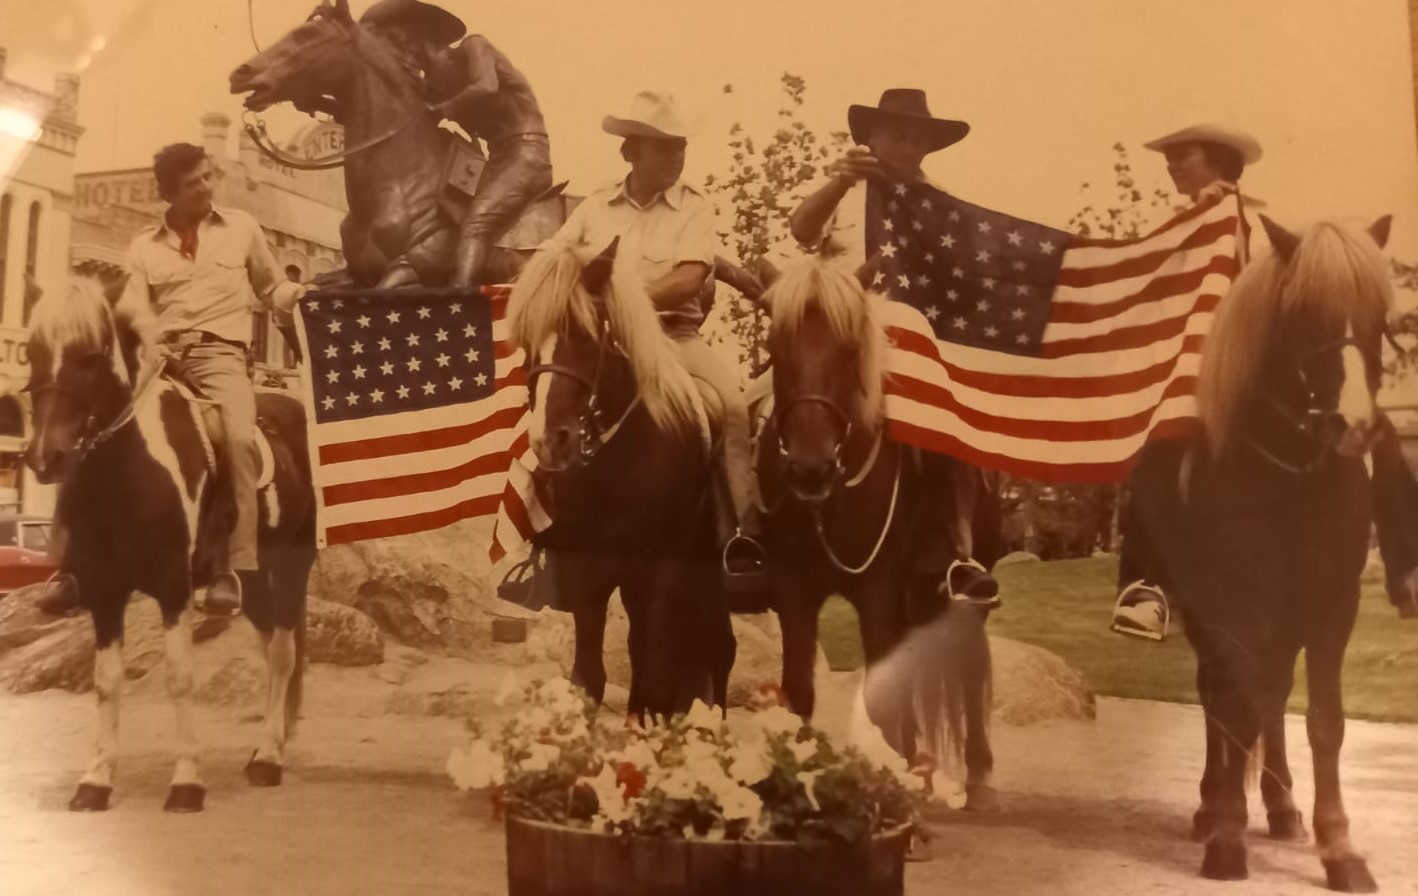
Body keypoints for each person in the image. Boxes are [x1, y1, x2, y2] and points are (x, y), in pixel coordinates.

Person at [1111, 123, 1418, 638]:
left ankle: (1406, 566)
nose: (1169, 165)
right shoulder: (1178, 224)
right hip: (1193, 367)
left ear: (1218, 161)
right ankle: (1147, 587)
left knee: (1378, 433)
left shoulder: (1256, 222)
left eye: (1180, 156)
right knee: (1157, 447)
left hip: (1262, 368)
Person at [787, 88, 999, 609]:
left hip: (908, 342)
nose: (907, 145)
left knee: (949, 424)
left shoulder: (941, 203)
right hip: (837, 340)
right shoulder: (843, 190)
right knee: (759, 405)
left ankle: (957, 552)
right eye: (896, 134)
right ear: (871, 138)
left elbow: (965, 278)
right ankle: (758, 534)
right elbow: (801, 230)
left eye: (917, 137)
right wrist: (839, 179)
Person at [542, 90, 764, 581]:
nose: (675, 156)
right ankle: (534, 530)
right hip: (598, 341)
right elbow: (553, 259)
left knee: (729, 408)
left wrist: (623, 299)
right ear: (630, 152)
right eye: (662, 146)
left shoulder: (694, 208)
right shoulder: (595, 206)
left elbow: (689, 277)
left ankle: (741, 535)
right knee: (544, 398)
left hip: (673, 337)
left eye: (679, 146)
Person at [113, 143, 305, 615]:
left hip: (221, 356)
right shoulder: (142, 247)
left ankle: (231, 569)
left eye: (207, 176)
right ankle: (80, 561)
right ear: (169, 193)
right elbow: (133, 309)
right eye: (193, 182)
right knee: (102, 434)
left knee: (237, 440)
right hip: (162, 359)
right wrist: (146, 340)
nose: (205, 186)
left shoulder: (242, 228)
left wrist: (300, 295)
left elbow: (270, 286)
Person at [358, 0, 554, 289]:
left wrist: (442, 109)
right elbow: (398, 114)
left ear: (419, 40)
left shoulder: (474, 48)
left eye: (401, 43)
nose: (401, 54)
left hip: (526, 152)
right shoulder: (437, 85)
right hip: (496, 159)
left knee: (477, 224)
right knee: (450, 224)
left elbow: (486, 87)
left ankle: (459, 301)